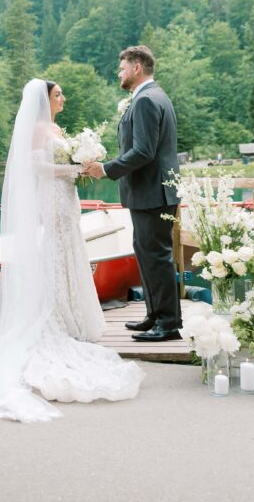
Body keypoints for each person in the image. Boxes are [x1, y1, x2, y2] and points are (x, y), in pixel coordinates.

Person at [0, 78, 143, 423]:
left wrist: (80, 166)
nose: (64, 98)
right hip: (51, 198)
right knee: (54, 251)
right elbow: (35, 168)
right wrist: (73, 168)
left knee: (70, 251)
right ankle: (55, 312)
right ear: (45, 99)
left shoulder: (54, 126)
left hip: (67, 197)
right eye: (58, 94)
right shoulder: (39, 128)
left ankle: (73, 312)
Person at [84, 45, 182, 342]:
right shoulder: (152, 96)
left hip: (153, 193)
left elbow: (143, 151)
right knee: (147, 254)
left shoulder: (146, 101)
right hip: (150, 192)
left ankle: (168, 323)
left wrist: (107, 169)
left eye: (122, 67)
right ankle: (155, 314)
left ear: (137, 67)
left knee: (157, 257)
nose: (119, 73)